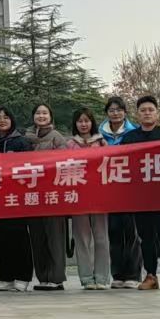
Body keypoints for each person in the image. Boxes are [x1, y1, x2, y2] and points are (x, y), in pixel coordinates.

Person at [120, 96, 160, 291]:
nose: (147, 113)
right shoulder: (129, 138)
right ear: (137, 114)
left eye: (150, 110)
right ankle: (150, 275)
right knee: (146, 237)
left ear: (157, 113)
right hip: (141, 195)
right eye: (143, 110)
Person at [23, 103, 71, 290]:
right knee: (37, 237)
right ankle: (43, 277)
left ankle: (56, 277)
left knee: (54, 237)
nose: (41, 116)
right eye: (38, 113)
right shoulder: (26, 138)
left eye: (45, 113)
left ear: (50, 116)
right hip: (32, 195)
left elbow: (64, 163)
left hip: (52, 194)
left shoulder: (57, 137)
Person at [0, 107, 34, 292]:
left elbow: (31, 166)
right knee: (1, 237)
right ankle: (6, 277)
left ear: (12, 120)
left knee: (20, 236)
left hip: (17, 196)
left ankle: (23, 276)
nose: (2, 120)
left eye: (6, 117)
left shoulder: (21, 142)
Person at [68, 107, 112, 290]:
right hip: (77, 196)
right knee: (82, 238)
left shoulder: (102, 142)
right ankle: (86, 278)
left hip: (99, 196)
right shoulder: (70, 144)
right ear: (75, 124)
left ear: (92, 122)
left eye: (87, 120)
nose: (83, 124)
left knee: (101, 237)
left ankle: (102, 278)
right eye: (80, 121)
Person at [100, 97, 141, 289]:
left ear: (125, 112)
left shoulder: (135, 132)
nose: (115, 113)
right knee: (114, 231)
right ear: (106, 113)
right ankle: (117, 274)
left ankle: (133, 274)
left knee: (132, 232)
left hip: (131, 188)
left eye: (119, 110)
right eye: (111, 110)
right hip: (109, 188)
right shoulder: (99, 135)